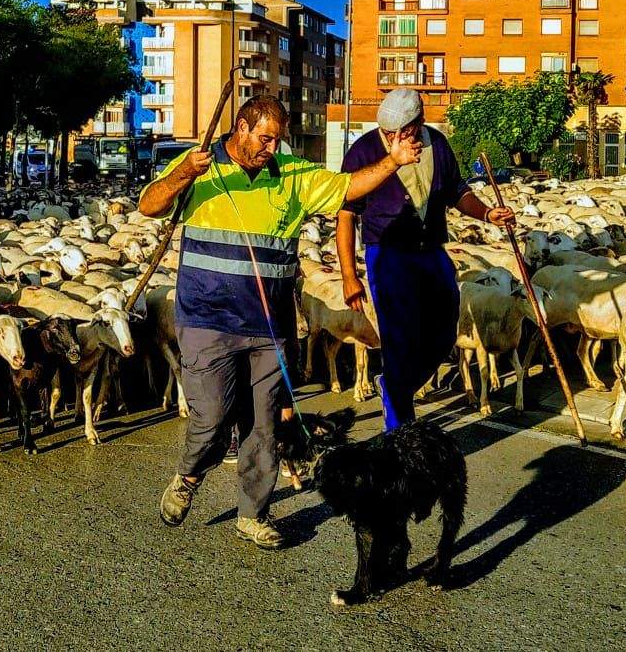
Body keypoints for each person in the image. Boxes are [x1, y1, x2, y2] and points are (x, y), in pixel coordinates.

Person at [143, 95, 422, 548]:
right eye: (265, 138)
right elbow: (149, 205)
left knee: (265, 425)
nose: (273, 147)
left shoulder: (292, 177)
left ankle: (253, 514)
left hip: (268, 326)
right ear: (241, 127)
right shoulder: (200, 166)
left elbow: (347, 187)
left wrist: (392, 161)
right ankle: (189, 476)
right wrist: (183, 175)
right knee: (211, 415)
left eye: (278, 139)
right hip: (207, 318)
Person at [337, 89, 515, 430]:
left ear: (418, 123)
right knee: (397, 338)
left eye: (402, 131)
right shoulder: (364, 150)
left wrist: (487, 214)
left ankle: (394, 385)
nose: (394, 138)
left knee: (445, 330)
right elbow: (345, 214)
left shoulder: (438, 144)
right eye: (389, 133)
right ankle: (400, 430)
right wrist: (349, 274)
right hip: (388, 255)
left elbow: (457, 192)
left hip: (431, 250)